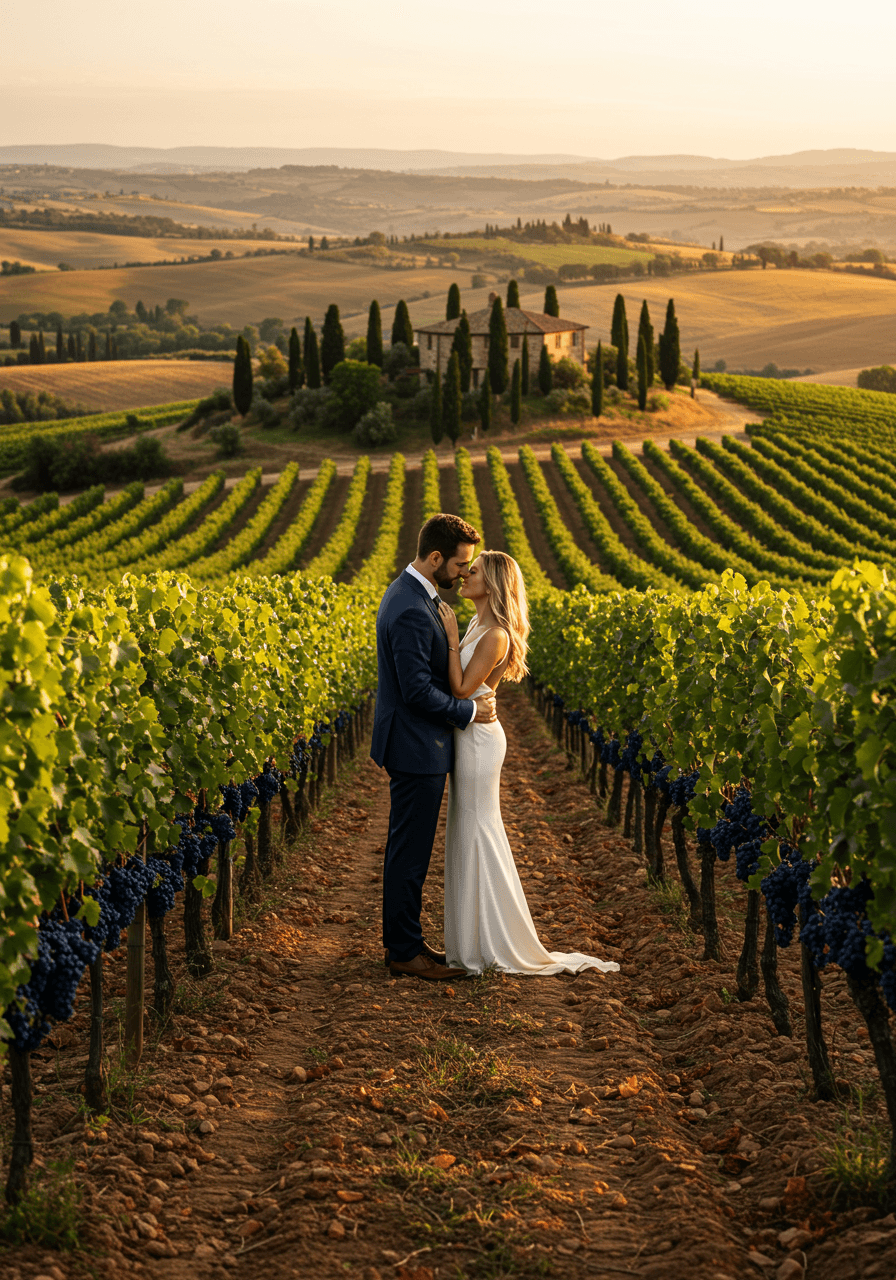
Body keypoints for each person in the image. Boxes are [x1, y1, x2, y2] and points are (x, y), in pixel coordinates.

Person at [438, 550, 621, 978]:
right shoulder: (476, 623)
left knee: (478, 829)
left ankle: (489, 944)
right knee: (467, 830)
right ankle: (473, 942)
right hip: (470, 735)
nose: (465, 575)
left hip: (480, 740)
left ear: (494, 584)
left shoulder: (496, 634)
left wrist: (448, 637)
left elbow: (463, 690)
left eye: (475, 571)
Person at [371, 513, 498, 981]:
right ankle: (403, 951)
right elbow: (416, 691)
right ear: (436, 558)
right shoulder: (408, 606)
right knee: (409, 852)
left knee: (412, 849)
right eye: (461, 564)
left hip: (417, 744)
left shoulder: (413, 596)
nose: (465, 573)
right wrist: (470, 713)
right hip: (414, 746)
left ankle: (407, 941)